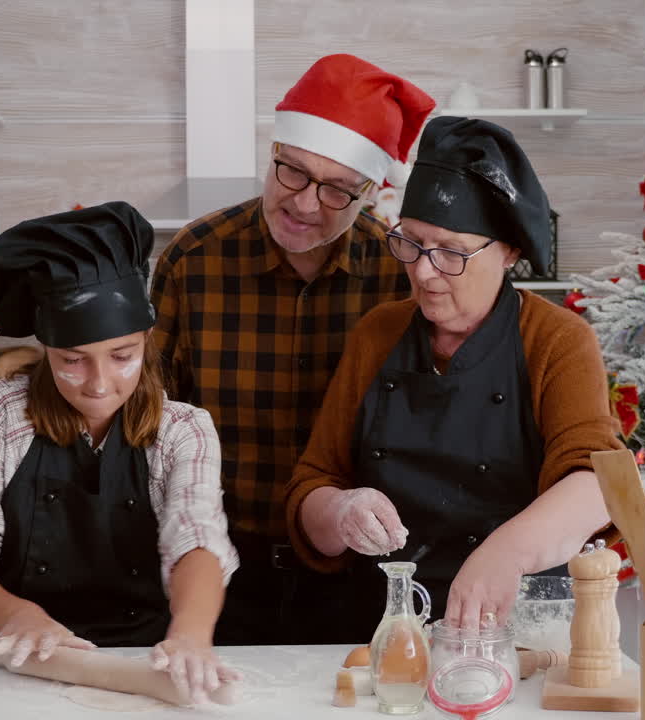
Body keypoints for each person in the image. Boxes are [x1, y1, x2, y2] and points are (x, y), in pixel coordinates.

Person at [284, 117, 623, 638]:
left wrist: (506, 552)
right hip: (379, 628)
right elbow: (313, 485)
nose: (423, 271)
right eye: (412, 243)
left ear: (508, 251)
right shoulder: (378, 333)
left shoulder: (556, 339)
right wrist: (340, 511)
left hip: (513, 633)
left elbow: (597, 484)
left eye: (451, 252)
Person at [150, 54, 435, 645]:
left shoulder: (398, 275)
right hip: (218, 571)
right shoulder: (194, 259)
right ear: (273, 153)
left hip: (359, 576)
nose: (305, 204)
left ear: (370, 192)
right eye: (293, 173)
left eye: (337, 190)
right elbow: (150, 422)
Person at [0, 202, 240, 703]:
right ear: (46, 349)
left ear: (147, 340)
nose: (99, 383)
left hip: (138, 664)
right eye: (73, 360)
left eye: (122, 356)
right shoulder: (1, 413)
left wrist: (190, 634)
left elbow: (197, 542)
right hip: (7, 664)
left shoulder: (183, 430)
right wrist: (18, 615)